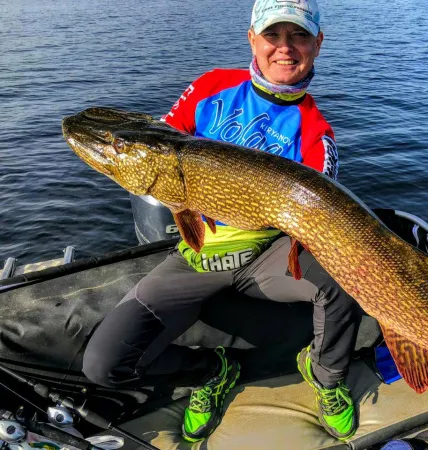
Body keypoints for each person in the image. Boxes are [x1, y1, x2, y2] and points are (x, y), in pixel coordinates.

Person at [82, 0, 361, 444]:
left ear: (317, 44)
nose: (285, 47)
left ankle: (326, 376)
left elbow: (320, 224)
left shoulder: (316, 134)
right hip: (197, 255)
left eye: (299, 35)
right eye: (272, 35)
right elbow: (160, 142)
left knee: (346, 278)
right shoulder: (212, 86)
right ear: (252, 39)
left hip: (266, 255)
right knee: (103, 365)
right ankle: (211, 371)